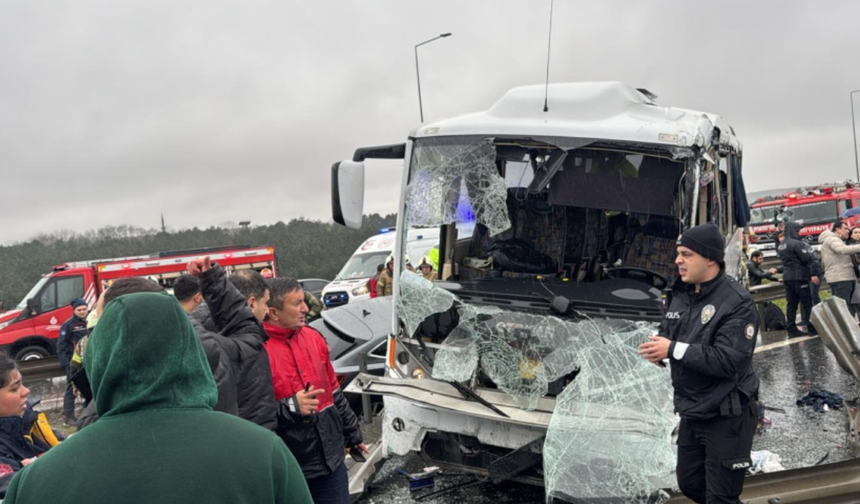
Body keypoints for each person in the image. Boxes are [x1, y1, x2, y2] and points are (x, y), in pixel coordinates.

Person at [5, 276, 313, 504]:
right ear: (190, 348)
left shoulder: (35, 483)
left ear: (99, 355)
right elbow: (247, 335)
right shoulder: (265, 455)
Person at [638, 223, 758, 504]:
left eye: (686, 254)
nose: (678, 260)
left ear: (710, 258)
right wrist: (661, 348)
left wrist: (674, 349)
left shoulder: (737, 302)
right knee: (690, 483)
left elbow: (729, 360)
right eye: (678, 253)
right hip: (693, 410)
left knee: (721, 497)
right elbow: (670, 332)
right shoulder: (682, 295)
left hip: (727, 414)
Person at [264, 277, 367, 504]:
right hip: (290, 466)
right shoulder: (256, 350)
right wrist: (290, 407)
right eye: (297, 303)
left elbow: (333, 391)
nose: (306, 308)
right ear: (273, 312)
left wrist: (352, 433)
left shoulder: (313, 337)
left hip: (330, 462)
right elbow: (249, 413)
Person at [188, 265, 277, 430]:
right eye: (265, 303)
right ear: (251, 303)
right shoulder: (226, 344)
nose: (267, 311)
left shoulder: (197, 334)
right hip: (246, 438)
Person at [0, 353, 63, 498]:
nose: (26, 391)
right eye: (15, 388)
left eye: (22, 383)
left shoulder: (27, 422)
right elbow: (13, 490)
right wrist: (41, 471)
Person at [777, 221, 819, 337]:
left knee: (791, 304)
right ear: (794, 230)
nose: (799, 232)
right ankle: (811, 328)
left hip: (787, 276)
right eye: (798, 230)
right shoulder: (797, 243)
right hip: (799, 276)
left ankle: (791, 329)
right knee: (806, 303)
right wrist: (813, 273)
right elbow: (808, 258)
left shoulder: (782, 244)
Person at [57, 298, 89, 425]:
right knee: (72, 390)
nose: (82, 312)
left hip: (90, 360)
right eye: (79, 310)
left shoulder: (91, 320)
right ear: (74, 310)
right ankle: (68, 417)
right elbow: (61, 346)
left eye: (84, 309)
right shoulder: (68, 325)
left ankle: (89, 413)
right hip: (75, 363)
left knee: (90, 388)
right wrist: (66, 364)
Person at [818, 220, 860, 310]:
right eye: (845, 229)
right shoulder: (832, 239)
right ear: (837, 229)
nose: (848, 231)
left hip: (844, 277)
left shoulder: (836, 239)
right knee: (843, 307)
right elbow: (842, 250)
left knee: (846, 307)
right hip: (841, 278)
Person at [848, 227, 860, 315]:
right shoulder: (849, 246)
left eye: (859, 232)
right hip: (853, 275)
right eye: (855, 232)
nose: (858, 234)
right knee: (856, 299)